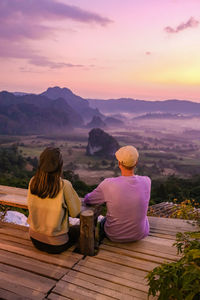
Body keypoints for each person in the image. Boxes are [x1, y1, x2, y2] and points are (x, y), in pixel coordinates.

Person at [84, 145, 151, 243]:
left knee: (103, 221)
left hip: (115, 236)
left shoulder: (108, 184)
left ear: (119, 163)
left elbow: (88, 200)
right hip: (140, 234)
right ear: (136, 163)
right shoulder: (147, 181)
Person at [27, 147, 81, 254]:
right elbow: (76, 212)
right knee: (80, 230)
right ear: (59, 165)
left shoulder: (33, 181)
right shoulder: (64, 185)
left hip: (35, 239)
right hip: (56, 244)